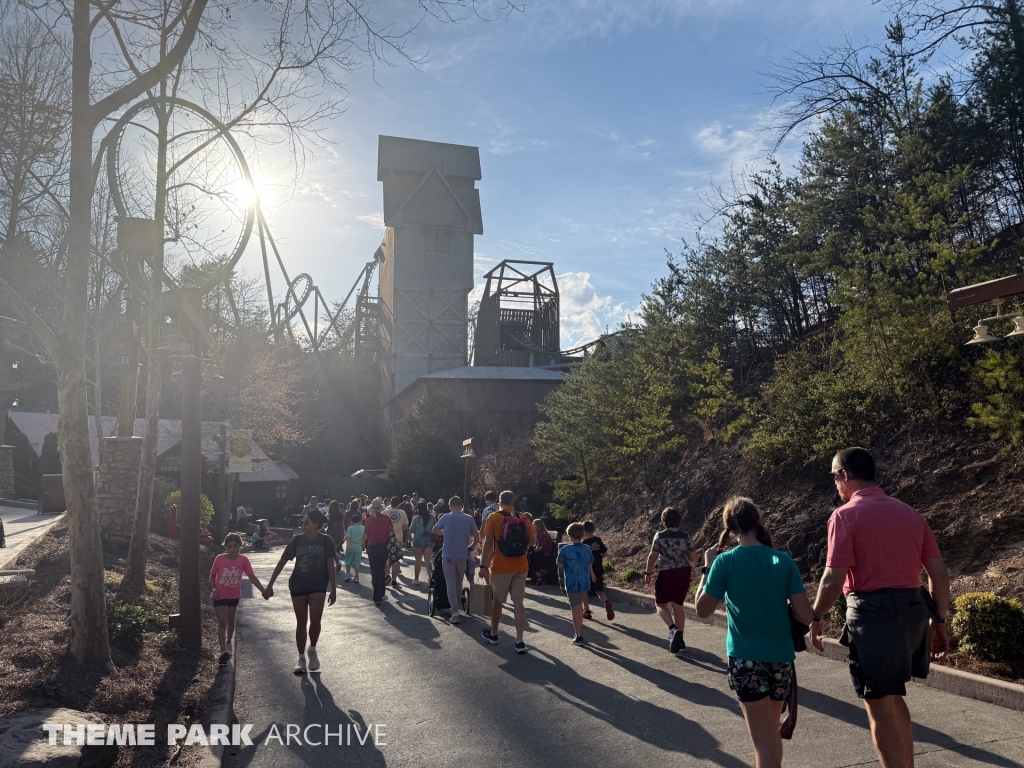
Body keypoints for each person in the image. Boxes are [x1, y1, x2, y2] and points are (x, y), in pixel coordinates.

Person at [808, 448, 949, 768]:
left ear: (845, 475)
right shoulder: (910, 513)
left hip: (874, 614)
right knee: (892, 696)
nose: (834, 483)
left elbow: (833, 578)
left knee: (878, 706)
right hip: (913, 610)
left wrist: (816, 616)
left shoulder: (844, 515)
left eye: (833, 476)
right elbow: (939, 575)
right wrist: (939, 619)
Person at [695, 497, 814, 768]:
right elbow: (805, 615)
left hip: (746, 660)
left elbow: (702, 609)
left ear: (730, 528)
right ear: (757, 520)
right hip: (781, 659)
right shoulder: (782, 560)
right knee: (771, 736)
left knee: (763, 741)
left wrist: (707, 568)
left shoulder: (724, 562)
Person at [265, 508, 337, 674]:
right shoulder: (297, 541)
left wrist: (333, 589)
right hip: (298, 584)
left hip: (318, 584)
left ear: (316, 525)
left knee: (316, 620)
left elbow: (330, 566)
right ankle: (300, 657)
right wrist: (270, 585)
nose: (302, 525)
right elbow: (281, 562)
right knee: (301, 622)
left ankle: (312, 649)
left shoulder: (326, 541)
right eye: (302, 523)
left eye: (306, 523)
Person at [478, 489, 536, 652]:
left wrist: (483, 566)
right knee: (518, 603)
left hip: (501, 566)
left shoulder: (494, 517)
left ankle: (494, 634)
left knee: (498, 601)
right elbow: (532, 542)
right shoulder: (523, 517)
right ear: (513, 502)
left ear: (500, 503)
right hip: (521, 565)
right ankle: (519, 641)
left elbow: (488, 543)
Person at [645, 506, 699, 653]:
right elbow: (693, 558)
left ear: (664, 521)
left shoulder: (660, 536)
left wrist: (648, 572)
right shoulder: (686, 536)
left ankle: (673, 629)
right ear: (679, 520)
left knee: (661, 604)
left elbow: (653, 556)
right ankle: (681, 642)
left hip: (667, 572)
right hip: (684, 572)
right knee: (678, 605)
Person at [209, 533, 267, 664]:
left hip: (233, 596)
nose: (232, 549)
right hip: (218, 595)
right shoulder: (219, 559)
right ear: (225, 547)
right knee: (222, 623)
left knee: (230, 621)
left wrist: (263, 590)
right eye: (229, 546)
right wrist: (213, 589)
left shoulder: (243, 560)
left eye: (235, 546)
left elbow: (252, 577)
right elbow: (212, 576)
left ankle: (229, 642)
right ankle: (223, 650)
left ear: (240, 546)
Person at [431, 495, 479, 624]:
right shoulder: (469, 519)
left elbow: (434, 530)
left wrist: (444, 532)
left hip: (448, 554)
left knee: (450, 583)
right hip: (462, 554)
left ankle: (455, 611)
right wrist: (472, 545)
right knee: (459, 582)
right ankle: (458, 605)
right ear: (461, 506)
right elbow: (476, 535)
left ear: (451, 506)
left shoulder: (446, 517)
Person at [557, 522, 596, 647]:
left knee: (575, 608)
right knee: (579, 606)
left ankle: (578, 635)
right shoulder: (587, 548)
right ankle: (579, 629)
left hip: (572, 582)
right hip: (584, 580)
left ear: (569, 535)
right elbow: (590, 563)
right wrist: (592, 573)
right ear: (582, 534)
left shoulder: (565, 549)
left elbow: (559, 564)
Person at [582, 520, 615, 620]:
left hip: (589, 569)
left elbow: (585, 559)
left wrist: (591, 571)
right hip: (598, 567)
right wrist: (599, 558)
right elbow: (605, 553)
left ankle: (586, 611)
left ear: (584, 531)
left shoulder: (585, 543)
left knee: (584, 591)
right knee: (599, 590)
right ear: (593, 530)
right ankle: (606, 602)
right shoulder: (598, 540)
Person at [361, 497, 392, 605]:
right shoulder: (387, 518)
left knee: (375, 571)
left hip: (373, 546)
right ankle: (381, 591)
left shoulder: (369, 520)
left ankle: (377, 595)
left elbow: (365, 534)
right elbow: (390, 532)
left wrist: (362, 544)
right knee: (382, 569)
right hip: (384, 546)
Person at [410, 501, 436, 586]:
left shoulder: (416, 518)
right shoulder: (432, 517)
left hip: (418, 540)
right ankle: (430, 578)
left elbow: (412, 530)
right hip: (429, 539)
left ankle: (416, 579)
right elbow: (435, 528)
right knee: (428, 560)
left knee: (418, 560)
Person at [386, 496, 408, 583]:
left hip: (387, 538)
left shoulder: (385, 512)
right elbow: (406, 526)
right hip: (398, 537)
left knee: (387, 559)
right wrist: (398, 529)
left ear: (390, 503)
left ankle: (387, 575)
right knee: (396, 559)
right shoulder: (402, 513)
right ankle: (394, 580)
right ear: (399, 504)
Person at [529, 519, 555, 585]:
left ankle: (538, 575)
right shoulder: (540, 533)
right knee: (530, 555)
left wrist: (531, 551)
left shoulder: (543, 535)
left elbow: (539, 548)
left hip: (545, 554)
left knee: (529, 557)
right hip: (542, 553)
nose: (532, 526)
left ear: (538, 526)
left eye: (534, 525)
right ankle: (536, 575)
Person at [343, 510, 365, 583]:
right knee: (357, 562)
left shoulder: (350, 528)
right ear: (359, 521)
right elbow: (364, 538)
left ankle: (348, 574)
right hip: (358, 547)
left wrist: (348, 547)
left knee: (348, 561)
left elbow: (348, 538)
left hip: (351, 546)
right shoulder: (362, 528)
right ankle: (356, 577)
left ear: (351, 521)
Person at [325, 501, 346, 572]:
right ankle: (337, 561)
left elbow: (327, 525)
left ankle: (336, 561)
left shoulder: (330, 515)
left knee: (330, 550)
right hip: (339, 534)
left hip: (331, 534)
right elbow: (343, 525)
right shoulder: (341, 515)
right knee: (334, 549)